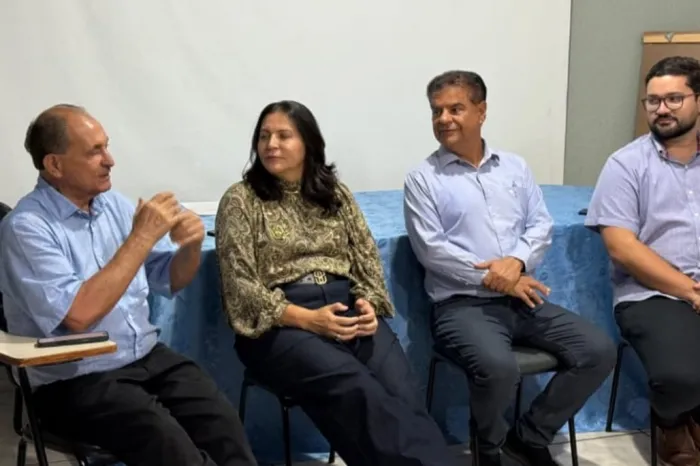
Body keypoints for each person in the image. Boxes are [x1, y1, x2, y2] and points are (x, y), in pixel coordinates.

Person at [0, 104, 258, 466]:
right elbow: (78, 315)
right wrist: (141, 237)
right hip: (74, 379)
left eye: (106, 146)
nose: (110, 160)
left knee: (223, 427)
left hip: (146, 357)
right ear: (54, 165)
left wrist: (191, 244)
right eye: (94, 152)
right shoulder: (26, 227)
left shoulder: (114, 205)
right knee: (172, 448)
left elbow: (170, 278)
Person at [215, 100, 457, 466]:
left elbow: (366, 258)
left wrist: (368, 304)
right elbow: (240, 288)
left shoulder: (335, 194)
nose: (271, 145)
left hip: (345, 308)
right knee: (356, 388)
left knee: (401, 391)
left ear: (308, 143)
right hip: (279, 325)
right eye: (264, 136)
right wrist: (308, 320)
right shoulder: (241, 200)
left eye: (283, 136)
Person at [403, 71, 616, 466]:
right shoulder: (423, 179)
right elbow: (432, 251)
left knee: (598, 351)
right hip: (461, 306)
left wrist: (515, 263)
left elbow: (540, 224)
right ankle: (489, 449)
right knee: (498, 368)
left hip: (521, 299)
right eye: (436, 111)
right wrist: (497, 278)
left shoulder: (514, 167)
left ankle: (529, 436)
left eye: (455, 109)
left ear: (481, 111)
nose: (444, 119)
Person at [585, 55, 700, 466]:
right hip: (652, 293)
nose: (662, 109)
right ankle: (672, 422)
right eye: (653, 101)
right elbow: (621, 246)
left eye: (674, 99)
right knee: (681, 377)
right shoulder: (626, 164)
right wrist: (691, 291)